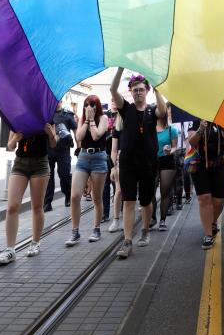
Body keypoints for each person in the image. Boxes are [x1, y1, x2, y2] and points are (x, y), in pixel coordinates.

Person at [110, 68, 167, 258]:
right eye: (134, 90)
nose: (137, 92)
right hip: (127, 162)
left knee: (146, 201)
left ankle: (144, 231)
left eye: (141, 89)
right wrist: (120, 68)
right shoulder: (126, 109)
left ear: (147, 91)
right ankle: (127, 241)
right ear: (131, 92)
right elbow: (112, 90)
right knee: (128, 201)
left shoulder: (152, 110)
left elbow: (163, 110)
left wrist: (157, 88)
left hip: (148, 163)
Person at [0, 130, 49, 265]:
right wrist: (16, 139)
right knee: (12, 206)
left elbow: (54, 144)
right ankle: (10, 250)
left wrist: (51, 133)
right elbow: (10, 146)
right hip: (20, 163)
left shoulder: (45, 116)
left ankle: (35, 242)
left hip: (40, 164)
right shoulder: (17, 118)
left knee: (37, 206)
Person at [66, 95, 109, 246]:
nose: (89, 107)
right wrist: (86, 120)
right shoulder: (81, 119)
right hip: (83, 157)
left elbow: (97, 135)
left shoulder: (103, 118)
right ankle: (75, 231)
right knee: (75, 196)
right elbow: (79, 136)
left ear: (97, 106)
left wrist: (91, 120)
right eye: (86, 105)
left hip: (99, 158)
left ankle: (96, 229)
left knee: (97, 197)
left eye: (92, 104)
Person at [188, 118, 224, 250]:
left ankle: (212, 222)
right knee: (204, 198)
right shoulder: (195, 119)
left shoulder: (221, 117)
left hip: (219, 164)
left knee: (218, 201)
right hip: (199, 165)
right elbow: (191, 142)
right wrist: (200, 129)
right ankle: (208, 234)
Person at [44, 101, 76, 212]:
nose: (56, 102)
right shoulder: (46, 114)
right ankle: (47, 202)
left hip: (64, 150)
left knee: (65, 175)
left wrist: (79, 147)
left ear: (61, 101)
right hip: (49, 149)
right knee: (49, 176)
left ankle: (68, 194)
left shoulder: (68, 115)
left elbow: (75, 130)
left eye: (58, 100)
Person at [154, 108, 179, 230]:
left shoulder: (171, 130)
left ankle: (162, 220)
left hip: (167, 160)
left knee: (165, 192)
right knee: (150, 192)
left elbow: (175, 147)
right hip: (152, 161)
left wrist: (170, 151)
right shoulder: (149, 130)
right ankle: (152, 217)